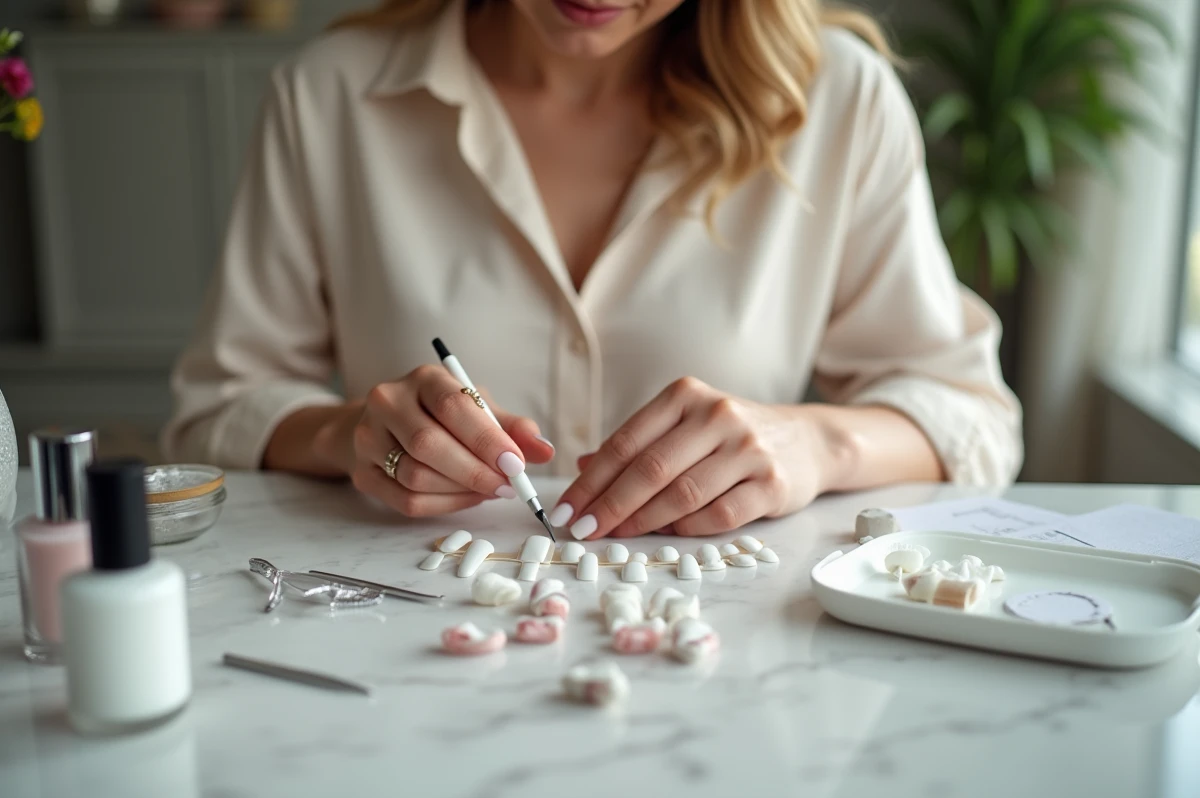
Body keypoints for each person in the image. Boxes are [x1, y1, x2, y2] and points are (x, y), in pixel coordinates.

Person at [162, 0, 1022, 541]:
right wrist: (349, 435)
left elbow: (971, 421)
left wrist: (814, 442)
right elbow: (213, 417)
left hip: (732, 668)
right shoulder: (329, 97)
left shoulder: (840, 101)